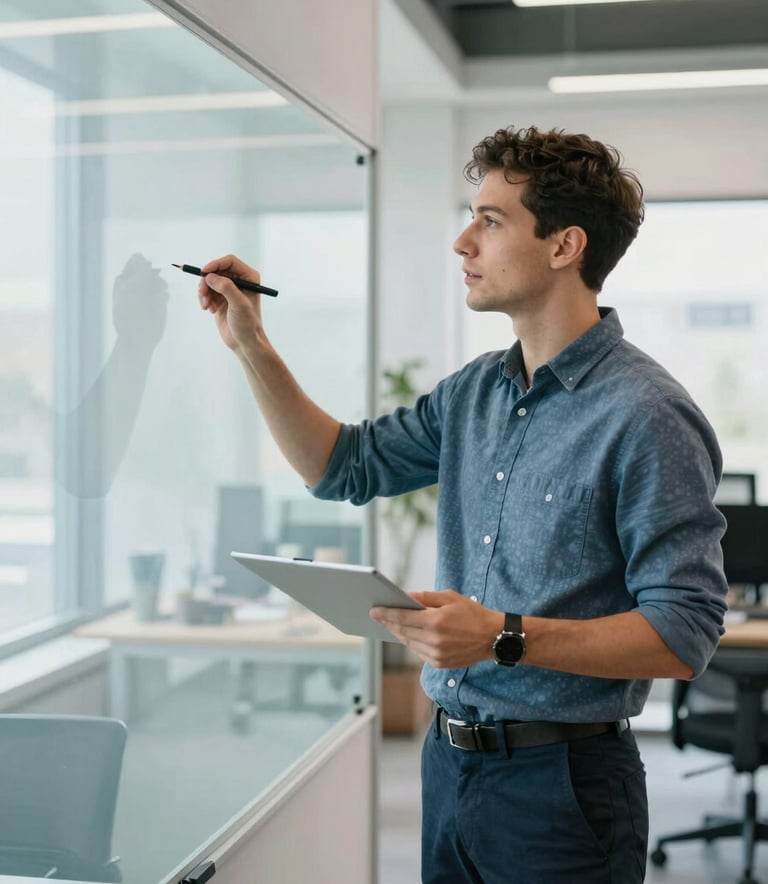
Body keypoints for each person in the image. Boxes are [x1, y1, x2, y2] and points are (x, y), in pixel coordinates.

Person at [198, 125, 728, 884]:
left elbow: (685, 634)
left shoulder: (647, 415)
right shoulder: (476, 391)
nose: (460, 243)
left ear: (564, 245)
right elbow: (342, 466)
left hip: (563, 789)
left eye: (488, 220)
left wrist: (504, 638)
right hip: (450, 768)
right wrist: (251, 343)